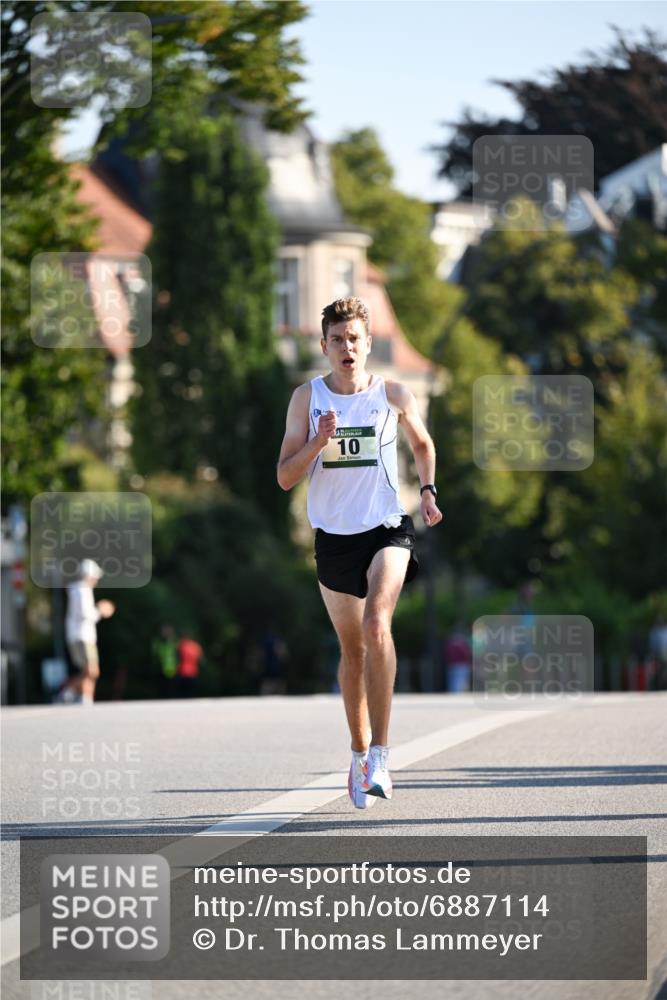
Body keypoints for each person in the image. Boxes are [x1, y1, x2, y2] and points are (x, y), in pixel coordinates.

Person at [277, 296, 442, 809]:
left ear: (368, 344)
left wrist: (430, 491)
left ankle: (383, 757)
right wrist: (317, 442)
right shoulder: (307, 400)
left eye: (355, 339)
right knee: (353, 651)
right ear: (324, 346)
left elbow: (423, 445)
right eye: (337, 340)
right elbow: (285, 477)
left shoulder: (392, 393)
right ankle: (358, 751)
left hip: (388, 528)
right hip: (334, 539)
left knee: (377, 626)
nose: (346, 348)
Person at [61, 559, 115, 705]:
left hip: (77, 636)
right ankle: (71, 692)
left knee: (87, 671)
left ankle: (84, 698)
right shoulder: (82, 590)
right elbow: (86, 614)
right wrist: (101, 610)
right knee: (92, 671)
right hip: (83, 636)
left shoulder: (78, 589)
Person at [153, 624, 178, 697]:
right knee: (162, 689)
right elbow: (155, 655)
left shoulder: (175, 642)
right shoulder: (158, 642)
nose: (166, 633)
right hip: (161, 669)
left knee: (171, 689)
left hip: (173, 669)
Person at [176, 633, 203, 698]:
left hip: (184, 671)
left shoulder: (181, 645)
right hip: (190, 671)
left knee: (184, 691)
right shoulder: (195, 646)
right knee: (190, 691)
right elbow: (200, 658)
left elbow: (177, 657)